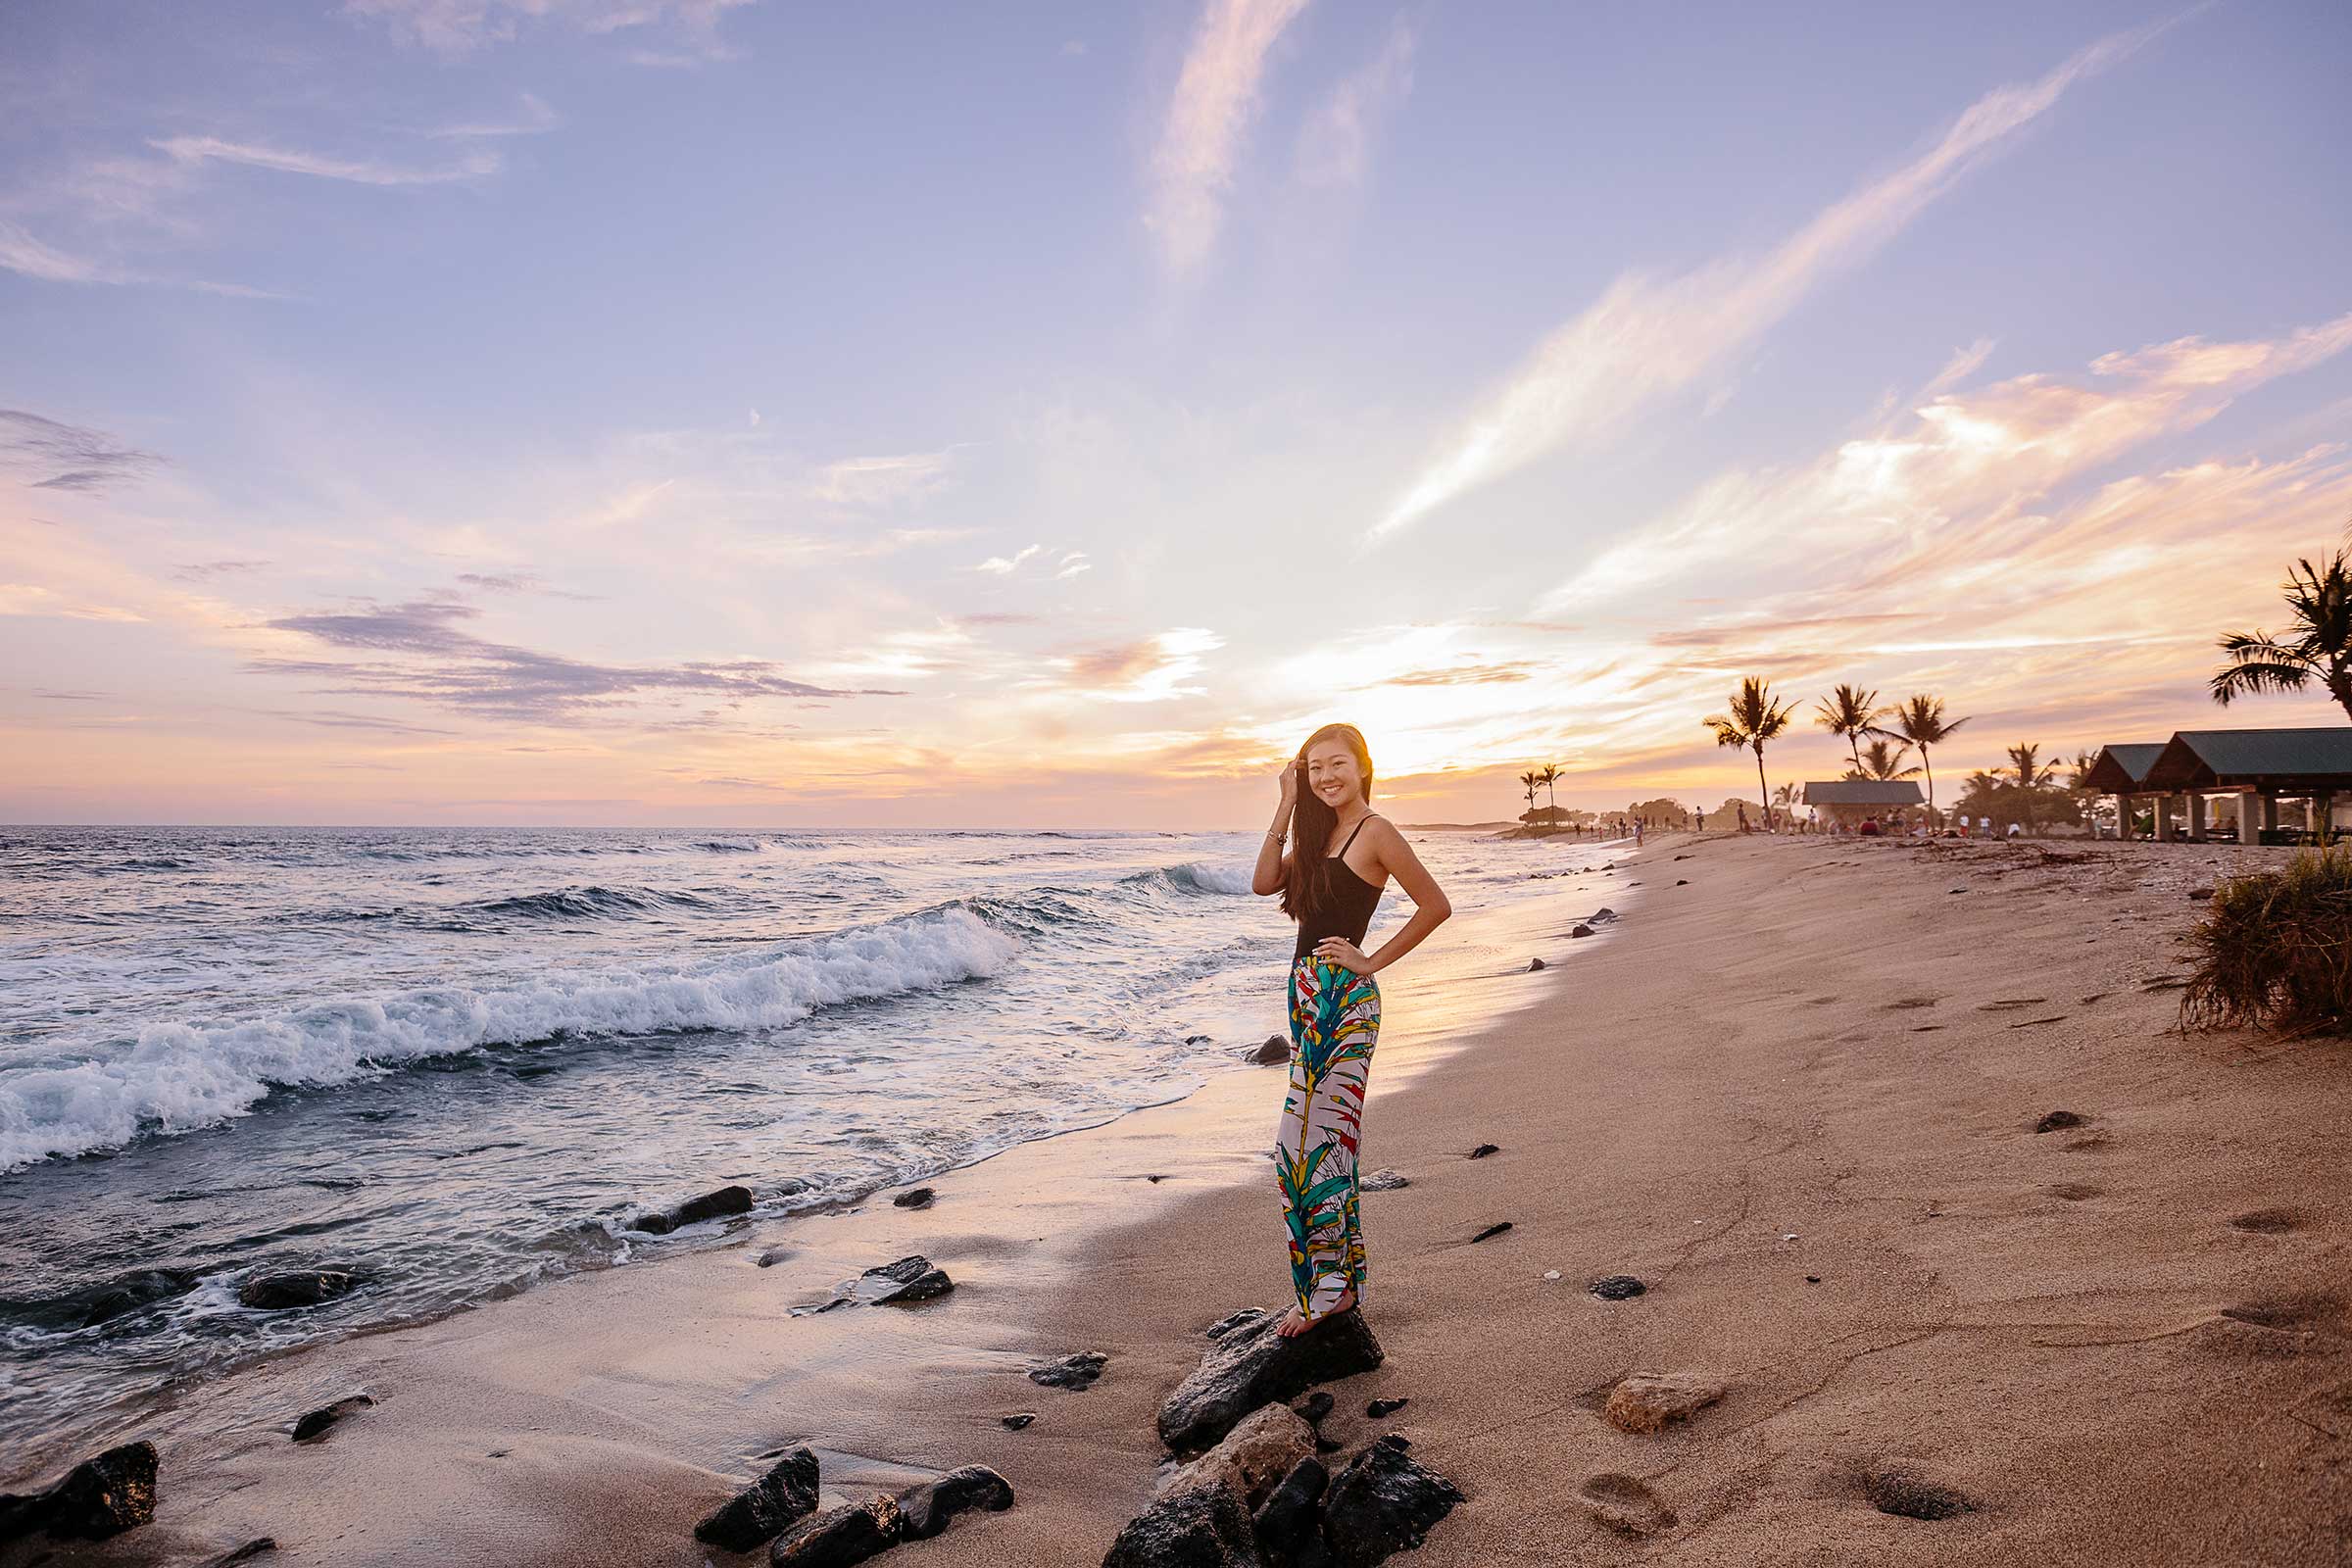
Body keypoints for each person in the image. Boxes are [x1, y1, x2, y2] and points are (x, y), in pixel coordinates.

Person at [1251, 724, 1452, 1339]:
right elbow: (1262, 883)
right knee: (1302, 1146)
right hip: (1305, 999)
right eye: (1313, 769)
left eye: (1336, 764)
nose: (1325, 777)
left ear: (1363, 767)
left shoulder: (1377, 832)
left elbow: (1435, 905)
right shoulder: (1317, 836)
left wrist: (1369, 960)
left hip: (1345, 1000)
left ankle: (1331, 1289)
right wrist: (1286, 805)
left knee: (1317, 1146)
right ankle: (1337, 1280)